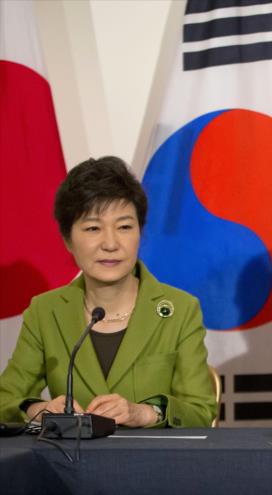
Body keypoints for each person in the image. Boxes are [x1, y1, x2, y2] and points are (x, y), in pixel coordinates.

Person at [0, 157, 217, 427]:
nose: (111, 244)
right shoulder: (45, 311)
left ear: (140, 232)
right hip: (69, 466)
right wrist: (39, 409)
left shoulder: (180, 309)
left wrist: (146, 413)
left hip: (153, 466)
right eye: (93, 228)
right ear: (68, 239)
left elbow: (200, 410)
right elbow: (5, 401)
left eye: (124, 227)